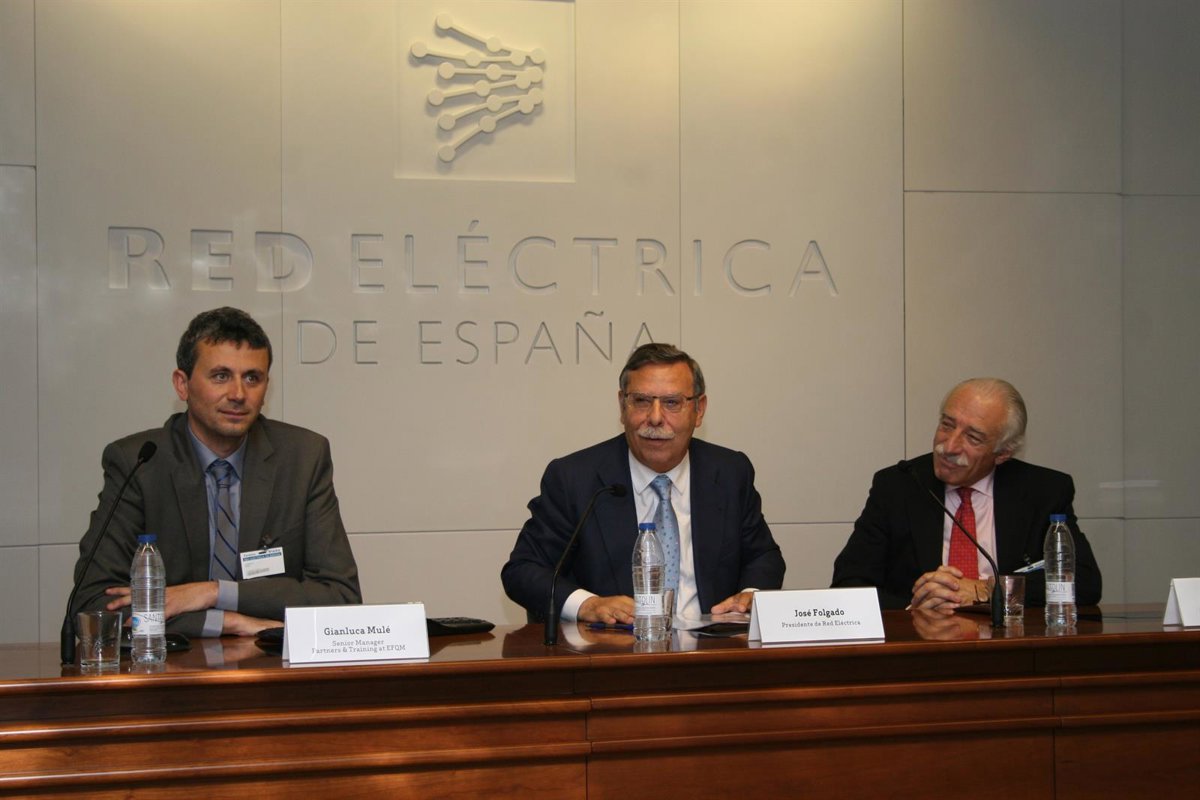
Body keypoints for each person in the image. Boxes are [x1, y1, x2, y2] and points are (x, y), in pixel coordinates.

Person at [69, 307, 361, 637]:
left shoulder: (303, 458)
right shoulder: (139, 463)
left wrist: (214, 592)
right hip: (172, 663)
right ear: (182, 385)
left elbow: (341, 598)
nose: (238, 394)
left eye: (252, 378)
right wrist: (226, 622)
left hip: (269, 663)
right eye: (221, 376)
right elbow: (93, 606)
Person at [501, 342, 785, 624]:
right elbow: (523, 570)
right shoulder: (575, 479)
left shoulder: (729, 473)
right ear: (622, 406)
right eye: (641, 401)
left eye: (672, 403)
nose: (656, 418)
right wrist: (589, 605)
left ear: (699, 410)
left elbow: (763, 556)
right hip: (611, 647)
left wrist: (750, 596)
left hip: (712, 647)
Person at [831, 377, 1101, 613]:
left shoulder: (1043, 491)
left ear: (1003, 452)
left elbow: (1084, 583)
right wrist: (916, 606)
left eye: (973, 437)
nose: (949, 447)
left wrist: (987, 589)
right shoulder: (899, 485)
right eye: (947, 425)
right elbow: (848, 586)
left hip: (1008, 644)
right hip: (920, 644)